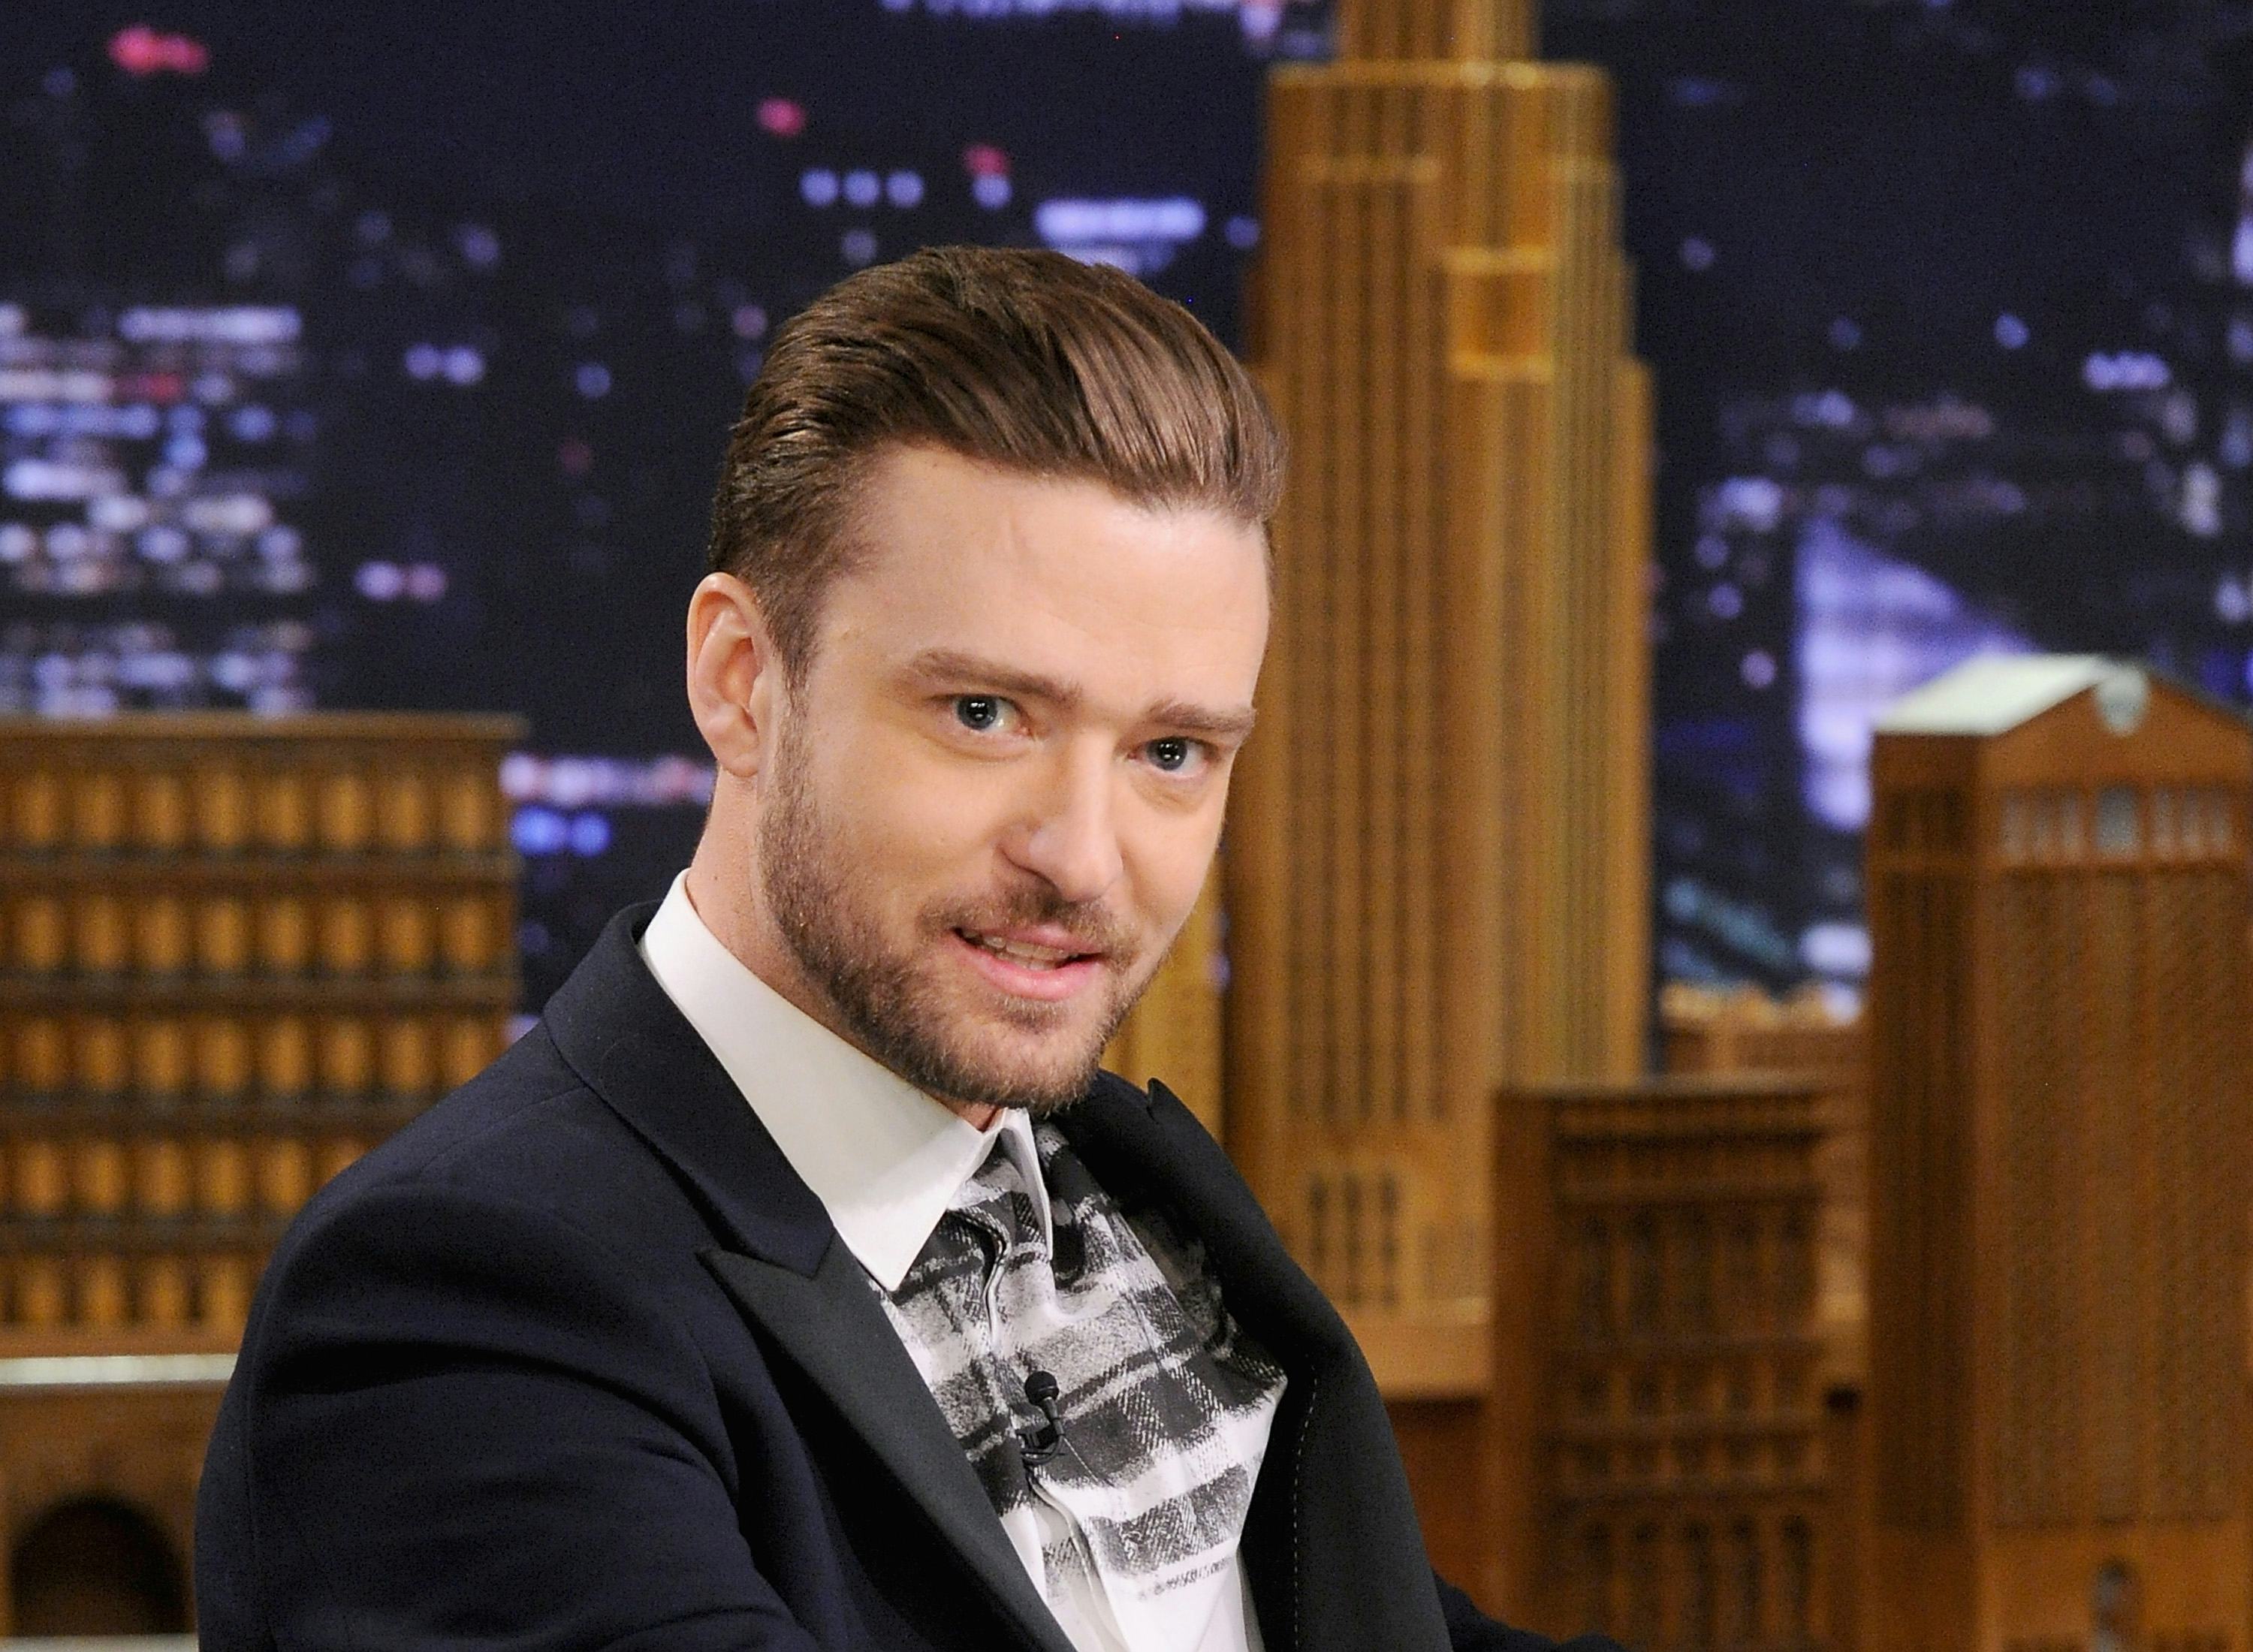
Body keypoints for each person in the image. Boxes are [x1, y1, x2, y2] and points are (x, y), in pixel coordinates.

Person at [195, 246, 1627, 1652]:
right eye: (984, 715)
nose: (1082, 857)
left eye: (1172, 751)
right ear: (743, 683)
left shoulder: (1116, 1180)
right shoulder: (464, 1301)